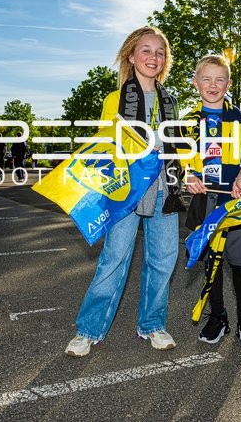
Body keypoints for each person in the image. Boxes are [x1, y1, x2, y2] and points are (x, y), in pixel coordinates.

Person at [65, 26, 184, 357]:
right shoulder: (114, 100)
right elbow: (105, 147)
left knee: (162, 260)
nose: (153, 57)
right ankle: (88, 330)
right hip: (126, 191)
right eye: (146, 50)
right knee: (115, 258)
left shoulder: (171, 101)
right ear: (131, 56)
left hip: (163, 188)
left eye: (160, 52)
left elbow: (180, 148)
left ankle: (152, 325)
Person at [181, 54, 241, 349]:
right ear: (195, 82)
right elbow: (183, 159)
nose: (212, 85)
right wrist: (189, 174)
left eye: (219, 79)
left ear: (228, 83)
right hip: (205, 201)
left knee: (240, 264)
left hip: (236, 199)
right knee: (211, 263)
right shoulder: (188, 123)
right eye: (206, 79)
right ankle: (218, 316)